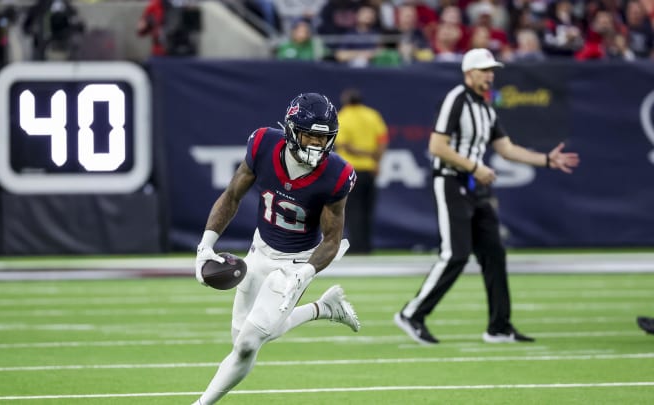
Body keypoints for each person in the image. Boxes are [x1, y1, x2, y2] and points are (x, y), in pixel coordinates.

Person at [394, 48, 580, 345]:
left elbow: (507, 149)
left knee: (494, 253)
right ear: (469, 73)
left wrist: (545, 160)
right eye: (484, 70)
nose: (490, 75)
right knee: (455, 253)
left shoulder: (486, 107)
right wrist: (474, 166)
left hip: (476, 186)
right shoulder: (456, 98)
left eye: (492, 70)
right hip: (452, 181)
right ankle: (412, 314)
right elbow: (437, 146)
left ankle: (499, 326)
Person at [192, 93, 361, 405]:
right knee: (243, 336)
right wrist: (205, 247)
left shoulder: (336, 174)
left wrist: (306, 272)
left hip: (297, 261)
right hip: (260, 249)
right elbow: (231, 196)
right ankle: (323, 309)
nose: (316, 144)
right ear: (292, 130)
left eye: (323, 138)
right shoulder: (262, 145)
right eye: (310, 135)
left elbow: (333, 239)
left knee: (248, 344)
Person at [335, 88, 388, 254]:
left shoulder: (343, 116)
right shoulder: (372, 115)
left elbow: (344, 145)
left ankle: (357, 246)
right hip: (369, 170)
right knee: (367, 210)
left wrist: (365, 154)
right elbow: (382, 140)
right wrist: (375, 160)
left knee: (353, 210)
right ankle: (366, 245)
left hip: (350, 171)